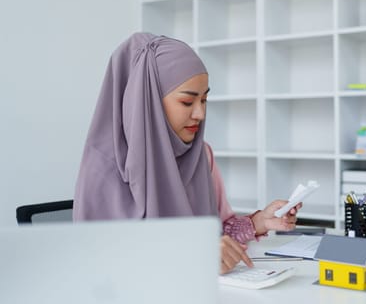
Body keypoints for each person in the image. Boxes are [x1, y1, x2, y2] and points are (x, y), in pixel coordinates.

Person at [73, 32, 301, 274]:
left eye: (204, 100)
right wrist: (194, 257)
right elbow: (95, 264)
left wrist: (259, 222)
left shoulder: (202, 156)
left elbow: (218, 233)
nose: (200, 114)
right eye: (187, 102)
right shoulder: (103, 167)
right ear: (147, 101)